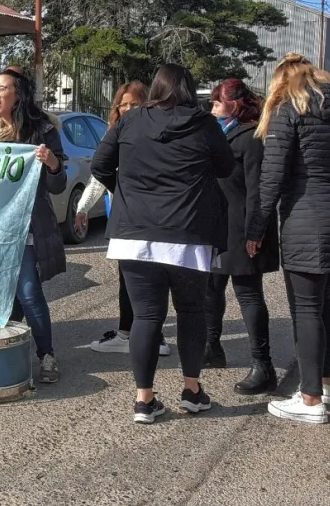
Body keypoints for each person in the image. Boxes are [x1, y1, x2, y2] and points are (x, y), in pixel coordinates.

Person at [91, 63, 234, 424]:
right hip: (188, 234)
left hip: (134, 236)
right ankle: (192, 391)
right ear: (189, 88)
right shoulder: (204, 123)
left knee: (145, 317)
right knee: (190, 313)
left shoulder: (130, 120)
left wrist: (126, 192)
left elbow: (100, 165)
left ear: (155, 88)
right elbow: (226, 167)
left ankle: (144, 400)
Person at [248, 53, 330, 424]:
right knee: (322, 300)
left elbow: (272, 178)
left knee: (305, 307)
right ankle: (324, 381)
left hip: (308, 219)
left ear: (284, 83)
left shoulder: (288, 110)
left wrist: (256, 230)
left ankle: (311, 399)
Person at [0, 69, 67, 383]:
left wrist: (52, 163)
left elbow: (58, 184)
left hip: (26, 225)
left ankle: (47, 356)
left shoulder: (41, 129)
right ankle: (3, 352)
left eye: (3, 88)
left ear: (19, 94)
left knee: (28, 291)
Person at [76, 82, 171, 357]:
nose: (128, 109)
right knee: (129, 278)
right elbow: (99, 175)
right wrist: (83, 208)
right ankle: (133, 332)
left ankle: (147, 336)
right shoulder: (115, 133)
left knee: (147, 278)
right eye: (123, 104)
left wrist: (126, 193)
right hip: (125, 218)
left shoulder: (147, 133)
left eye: (134, 104)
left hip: (143, 218)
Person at [203, 79, 280, 395]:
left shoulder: (251, 137)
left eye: (216, 102)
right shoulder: (220, 132)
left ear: (233, 104)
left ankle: (263, 365)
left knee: (248, 293)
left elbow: (258, 190)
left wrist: (255, 231)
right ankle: (212, 347)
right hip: (216, 224)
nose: (212, 108)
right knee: (211, 288)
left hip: (243, 226)